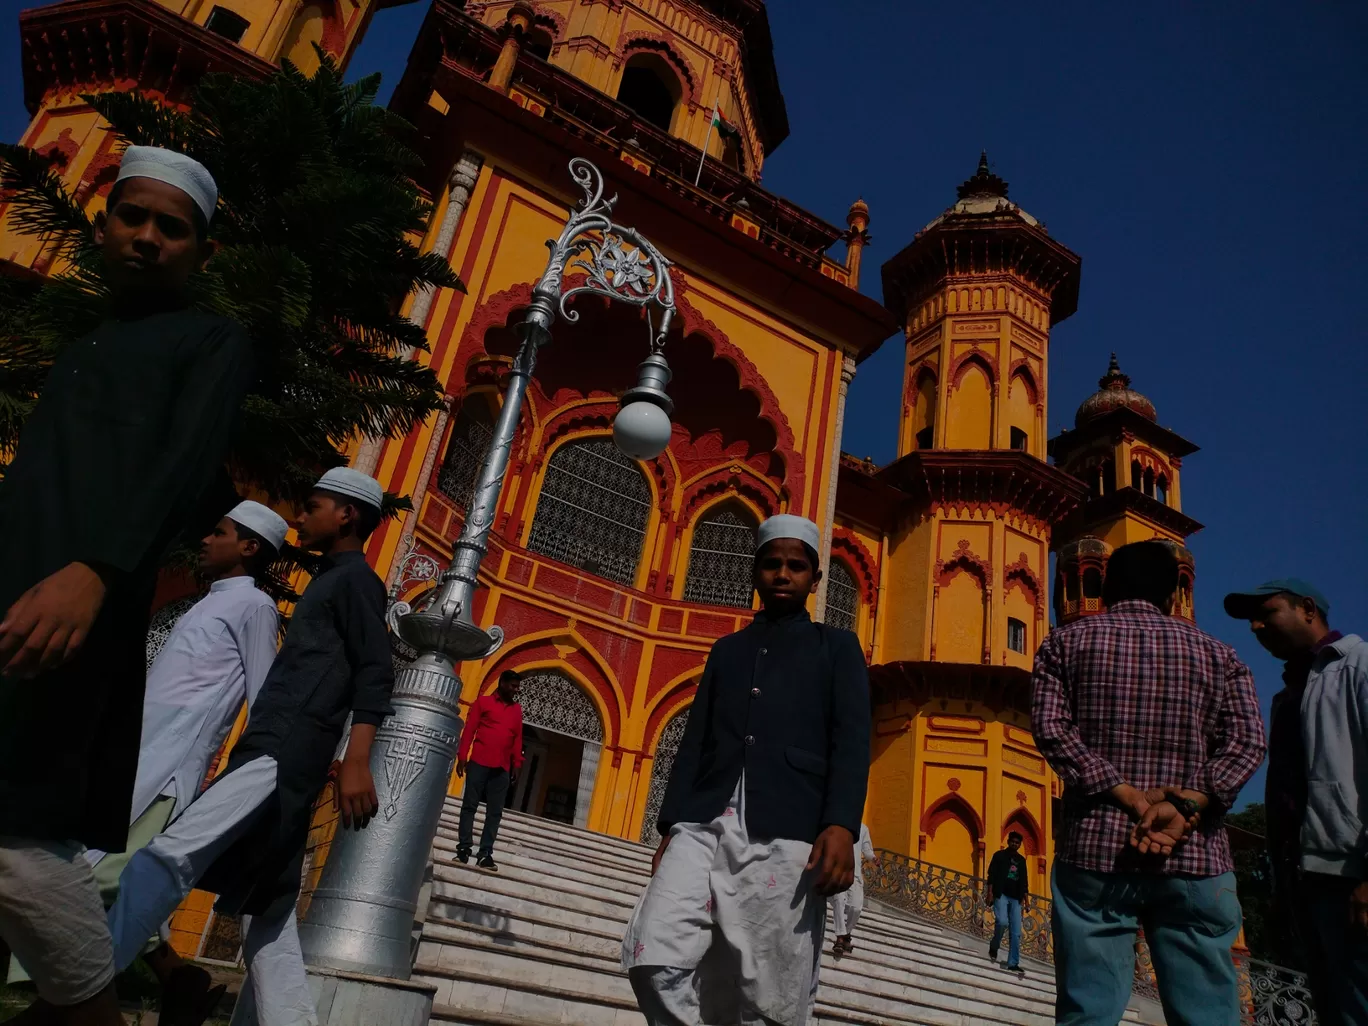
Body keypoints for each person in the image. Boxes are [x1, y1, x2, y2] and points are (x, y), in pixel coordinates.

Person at [0, 146, 254, 1026]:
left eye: (171, 227)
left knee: (19, 834)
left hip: (76, 610)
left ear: (202, 251)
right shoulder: (87, 346)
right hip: (20, 592)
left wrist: (98, 571)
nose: (147, 238)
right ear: (102, 224)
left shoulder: (211, 339)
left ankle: (92, 1010)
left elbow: (183, 465)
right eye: (131, 218)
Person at [105, 468, 394, 1026]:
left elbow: (375, 671)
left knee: (165, 858)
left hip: (280, 754)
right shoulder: (332, 580)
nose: (300, 517)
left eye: (312, 506)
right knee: (271, 913)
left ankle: (72, 997)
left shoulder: (357, 581)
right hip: (279, 751)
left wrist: (356, 758)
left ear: (346, 515)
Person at [6, 501, 287, 1025]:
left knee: (99, 879)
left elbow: (264, 694)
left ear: (249, 547)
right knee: (110, 873)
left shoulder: (255, 607)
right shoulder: (206, 603)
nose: (205, 539)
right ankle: (177, 978)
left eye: (219, 532)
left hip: (169, 771)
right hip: (134, 759)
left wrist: (233, 784)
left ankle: (64, 1005)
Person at [622, 514, 871, 1026]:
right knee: (654, 956)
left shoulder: (837, 648)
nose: (784, 574)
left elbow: (851, 742)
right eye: (772, 564)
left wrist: (842, 823)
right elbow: (696, 741)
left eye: (796, 566)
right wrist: (669, 827)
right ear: (754, 572)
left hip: (787, 826)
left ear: (815, 579)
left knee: (773, 988)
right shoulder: (727, 651)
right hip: (704, 821)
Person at [1031, 540, 1266, 1026]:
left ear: (1108, 587)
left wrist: (1125, 793)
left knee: (1088, 1012)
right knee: (1209, 1015)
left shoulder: (1064, 643)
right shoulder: (1221, 655)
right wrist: (1185, 804)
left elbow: (1051, 729)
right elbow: (1247, 742)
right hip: (1196, 854)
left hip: (1097, 851)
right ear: (1172, 594)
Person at [1225, 579, 1368, 1025]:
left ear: (1307, 608)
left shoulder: (1356, 666)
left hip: (1350, 873)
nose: (1255, 626)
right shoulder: (1288, 694)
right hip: (1305, 876)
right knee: (1331, 1005)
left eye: (1267, 613)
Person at [455, 670, 524, 871]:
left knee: (495, 813)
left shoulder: (516, 710)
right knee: (469, 806)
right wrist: (462, 756)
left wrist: (517, 764)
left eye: (517, 686)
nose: (515, 690)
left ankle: (485, 854)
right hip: (479, 762)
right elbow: (469, 730)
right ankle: (463, 849)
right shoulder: (482, 703)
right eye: (512, 685)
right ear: (502, 683)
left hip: (502, 767)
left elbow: (517, 738)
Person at [830, 822, 877, 957]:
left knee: (856, 908)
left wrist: (873, 858)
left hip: (855, 874)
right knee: (839, 900)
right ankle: (840, 937)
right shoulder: (838, 823)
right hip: (838, 870)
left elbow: (867, 850)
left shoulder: (863, 828)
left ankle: (846, 934)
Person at [985, 831, 1028, 975]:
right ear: (1008, 841)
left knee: (1016, 932)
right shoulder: (999, 856)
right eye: (1013, 841)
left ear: (1020, 845)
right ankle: (994, 945)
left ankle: (1013, 963)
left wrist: (1026, 901)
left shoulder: (1022, 861)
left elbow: (1025, 882)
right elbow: (991, 875)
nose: (1015, 844)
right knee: (1002, 922)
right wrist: (989, 893)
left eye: (1017, 842)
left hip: (1016, 899)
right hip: (1001, 894)